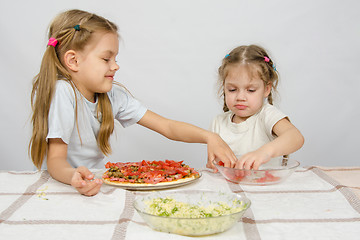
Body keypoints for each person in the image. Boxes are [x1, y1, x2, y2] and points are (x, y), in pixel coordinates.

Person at [29, 9, 237, 196]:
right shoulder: (63, 92)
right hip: (65, 186)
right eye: (106, 59)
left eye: (116, 58)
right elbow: (56, 161)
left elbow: (167, 126)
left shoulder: (113, 95)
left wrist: (209, 136)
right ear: (73, 60)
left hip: (94, 183)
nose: (115, 66)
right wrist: (73, 176)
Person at [210, 45, 304, 170]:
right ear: (224, 87)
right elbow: (215, 164)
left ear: (266, 89)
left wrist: (265, 152)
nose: (240, 97)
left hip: (265, 186)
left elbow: (295, 137)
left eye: (251, 90)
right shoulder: (218, 122)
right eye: (232, 89)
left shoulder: (267, 115)